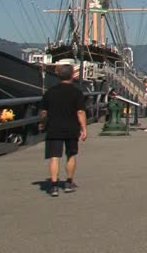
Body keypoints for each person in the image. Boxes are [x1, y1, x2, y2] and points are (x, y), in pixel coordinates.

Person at [39, 64, 87, 197]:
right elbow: (80, 112)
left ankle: (54, 186)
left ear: (58, 75)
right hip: (71, 128)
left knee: (54, 157)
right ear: (72, 76)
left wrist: (42, 123)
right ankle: (69, 182)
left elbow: (43, 111)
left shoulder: (50, 92)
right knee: (71, 155)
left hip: (53, 127)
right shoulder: (77, 92)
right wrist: (84, 129)